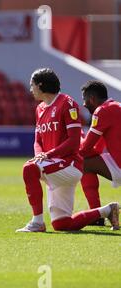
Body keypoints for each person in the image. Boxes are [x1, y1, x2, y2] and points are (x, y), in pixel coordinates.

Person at [17, 68, 119, 233]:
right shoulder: (39, 109)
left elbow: (73, 142)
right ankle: (107, 210)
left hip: (69, 164)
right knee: (62, 224)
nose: (31, 89)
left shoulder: (67, 103)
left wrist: (46, 156)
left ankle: (37, 223)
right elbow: (38, 140)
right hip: (53, 164)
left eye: (32, 85)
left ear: (41, 85)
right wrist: (39, 157)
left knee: (29, 169)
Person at [79, 80, 120, 227]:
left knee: (83, 164)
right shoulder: (115, 107)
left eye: (84, 99)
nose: (83, 104)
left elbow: (85, 149)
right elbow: (96, 148)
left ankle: (96, 214)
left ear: (92, 99)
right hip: (117, 161)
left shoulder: (102, 111)